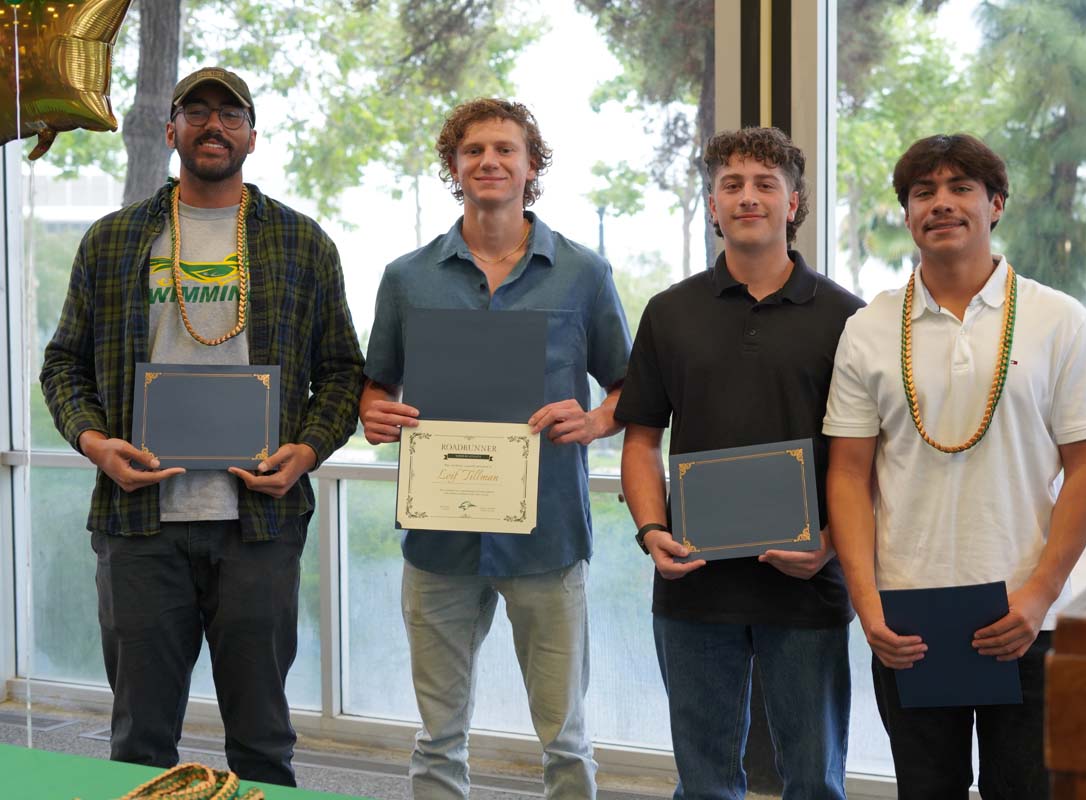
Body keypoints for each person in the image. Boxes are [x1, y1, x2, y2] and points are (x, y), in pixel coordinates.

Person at [40, 67, 364, 786]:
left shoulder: (302, 243)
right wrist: (97, 444)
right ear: (171, 129)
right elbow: (63, 363)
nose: (213, 125)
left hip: (259, 525)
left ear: (252, 133)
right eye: (197, 112)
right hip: (139, 525)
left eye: (230, 113)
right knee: (138, 739)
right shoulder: (114, 240)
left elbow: (343, 371)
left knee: (263, 742)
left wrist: (306, 452)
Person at [824, 133, 1086, 799]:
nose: (941, 203)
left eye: (961, 188)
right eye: (923, 192)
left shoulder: (1058, 319)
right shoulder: (870, 329)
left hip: (1025, 613)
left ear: (995, 205)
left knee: (1024, 790)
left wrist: (1041, 592)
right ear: (906, 214)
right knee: (927, 790)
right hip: (908, 618)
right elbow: (847, 474)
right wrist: (867, 603)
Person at [359, 98, 631, 799]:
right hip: (439, 539)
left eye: (506, 149)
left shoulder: (584, 273)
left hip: (547, 535)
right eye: (474, 149)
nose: (489, 161)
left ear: (530, 165)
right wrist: (375, 415)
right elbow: (374, 386)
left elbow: (630, 389)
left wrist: (597, 421)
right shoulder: (406, 277)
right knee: (438, 740)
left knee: (565, 739)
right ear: (454, 166)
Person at [615, 127, 862, 799]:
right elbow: (639, 441)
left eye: (764, 185)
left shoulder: (848, 318)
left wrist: (833, 546)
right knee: (703, 782)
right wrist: (650, 530)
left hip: (808, 585)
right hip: (693, 583)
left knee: (814, 782)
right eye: (731, 185)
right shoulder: (669, 313)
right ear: (713, 205)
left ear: (794, 204)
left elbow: (869, 461)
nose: (747, 197)